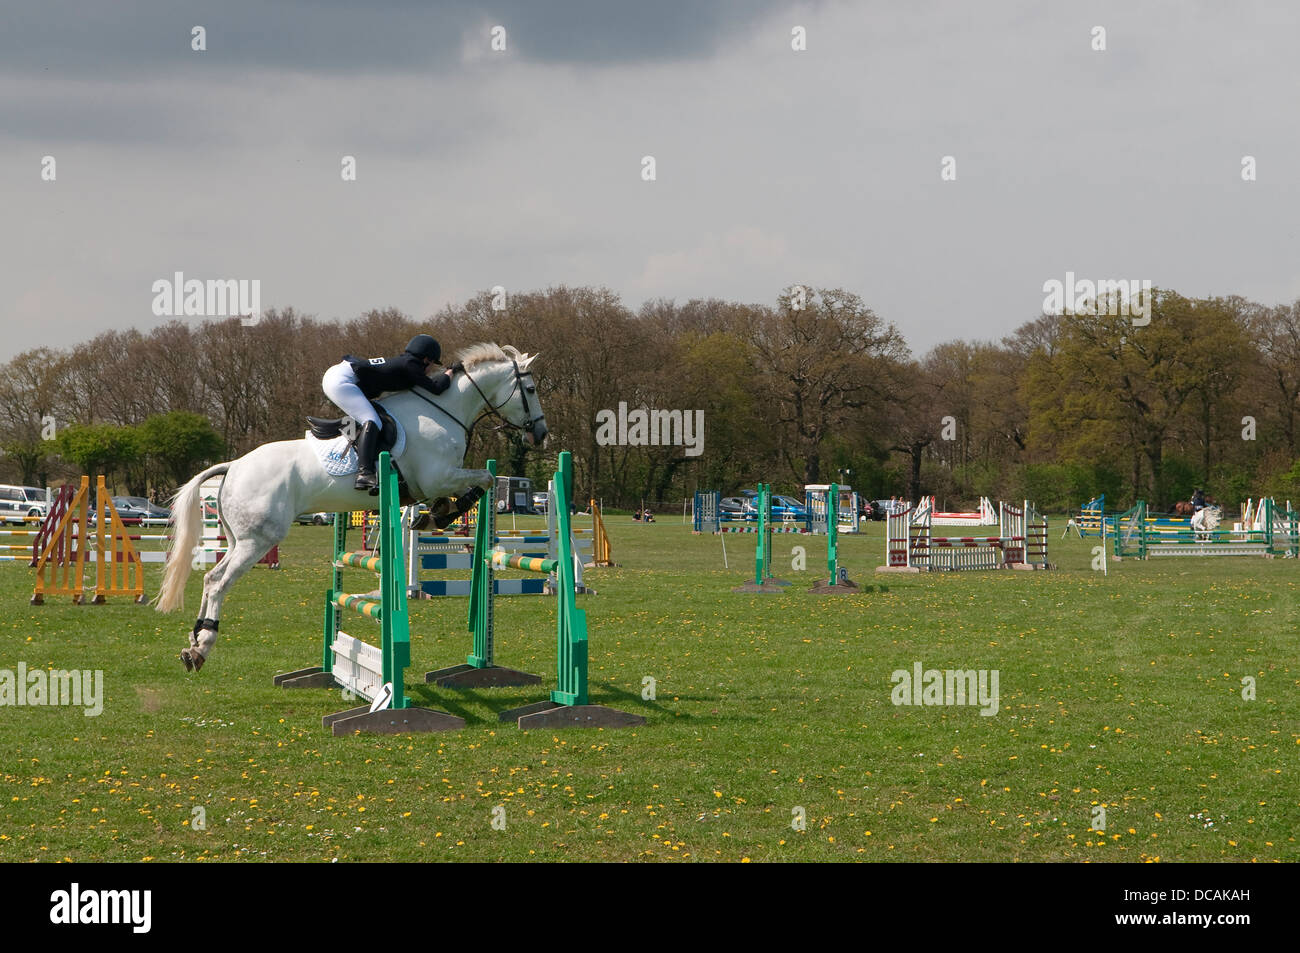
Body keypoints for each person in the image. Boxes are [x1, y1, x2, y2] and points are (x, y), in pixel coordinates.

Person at [322, 334, 455, 493]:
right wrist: (450, 372)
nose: (431, 369)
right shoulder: (411, 365)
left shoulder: (406, 363)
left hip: (340, 376)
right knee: (372, 420)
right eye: (433, 364)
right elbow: (436, 388)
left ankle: (349, 433)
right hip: (341, 380)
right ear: (426, 359)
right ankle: (364, 473)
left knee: (374, 415)